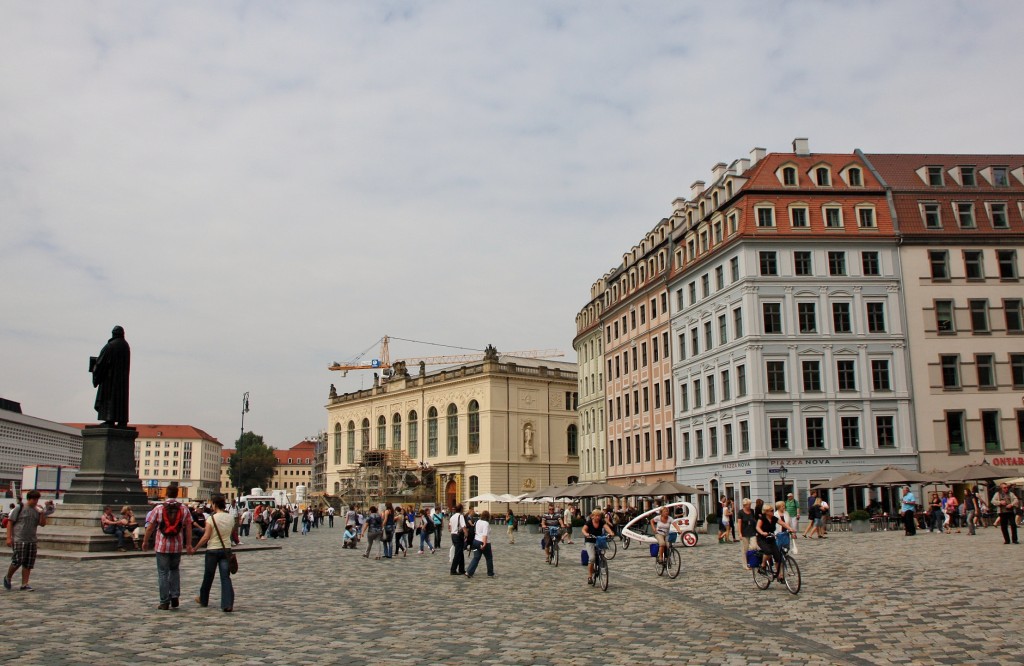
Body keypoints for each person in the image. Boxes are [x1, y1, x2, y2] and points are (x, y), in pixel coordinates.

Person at [143, 483, 194, 610]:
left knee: (163, 573)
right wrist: (188, 544)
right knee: (174, 570)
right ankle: (175, 595)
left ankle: (164, 601)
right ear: (177, 494)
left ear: (166, 493)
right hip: (177, 545)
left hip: (162, 546)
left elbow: (150, 527)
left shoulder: (158, 508)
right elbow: (188, 528)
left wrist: (145, 541)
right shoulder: (184, 509)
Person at [4, 491, 55, 592]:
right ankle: (8, 577)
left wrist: (42, 513)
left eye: (37, 499)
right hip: (19, 538)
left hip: (31, 539)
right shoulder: (20, 508)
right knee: (18, 560)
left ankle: (25, 584)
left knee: (28, 562)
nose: (35, 501)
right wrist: (8, 537)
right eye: (34, 499)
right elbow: (10, 522)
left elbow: (42, 524)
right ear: (29, 499)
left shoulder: (37, 510)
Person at [193, 494, 236, 612]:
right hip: (226, 550)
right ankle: (227, 604)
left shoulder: (211, 519)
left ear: (215, 504)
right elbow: (231, 533)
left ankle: (204, 599)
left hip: (212, 550)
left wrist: (195, 548)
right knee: (225, 577)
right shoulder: (230, 518)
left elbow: (206, 537)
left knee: (208, 576)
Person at [90, 325, 130, 427]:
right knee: (121, 399)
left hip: (110, 380)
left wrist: (94, 368)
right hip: (122, 382)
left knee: (109, 399)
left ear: (113, 334)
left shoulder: (110, 346)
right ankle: (122, 420)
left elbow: (100, 364)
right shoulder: (126, 346)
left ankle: (110, 419)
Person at [755, 504, 792, 582]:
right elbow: (757, 527)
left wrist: (790, 529)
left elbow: (783, 523)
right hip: (762, 539)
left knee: (778, 557)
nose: (773, 512)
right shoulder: (762, 518)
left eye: (773, 510)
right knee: (768, 552)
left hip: (771, 538)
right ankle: (763, 566)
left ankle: (780, 576)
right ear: (766, 512)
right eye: (771, 510)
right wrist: (762, 532)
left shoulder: (774, 518)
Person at [582, 509, 615, 585]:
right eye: (596, 516)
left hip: (599, 540)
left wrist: (611, 533)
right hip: (590, 541)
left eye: (599, 516)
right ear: (592, 516)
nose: (597, 517)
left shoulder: (601, 522)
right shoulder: (589, 522)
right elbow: (583, 530)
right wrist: (586, 534)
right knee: (592, 558)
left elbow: (606, 527)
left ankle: (601, 563)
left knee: (601, 553)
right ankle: (590, 576)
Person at [465, 510, 494, 578]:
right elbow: (484, 535)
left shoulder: (478, 521)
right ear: (488, 517)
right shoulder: (486, 524)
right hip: (484, 542)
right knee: (489, 558)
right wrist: (484, 544)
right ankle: (490, 573)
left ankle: (469, 572)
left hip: (476, 541)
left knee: (476, 558)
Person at [737, 498, 759, 569]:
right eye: (748, 505)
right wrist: (739, 533)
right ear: (744, 505)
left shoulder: (752, 511)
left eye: (750, 504)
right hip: (744, 533)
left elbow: (754, 521)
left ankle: (751, 560)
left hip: (752, 531)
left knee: (754, 546)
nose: (749, 506)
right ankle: (745, 564)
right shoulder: (740, 512)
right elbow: (739, 523)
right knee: (744, 549)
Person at [449, 504, 468, 576]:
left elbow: (450, 527)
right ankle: (453, 570)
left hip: (453, 535)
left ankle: (461, 569)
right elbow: (463, 527)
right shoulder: (461, 516)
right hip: (458, 536)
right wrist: (466, 535)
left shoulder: (452, 517)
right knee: (457, 553)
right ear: (461, 509)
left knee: (460, 552)